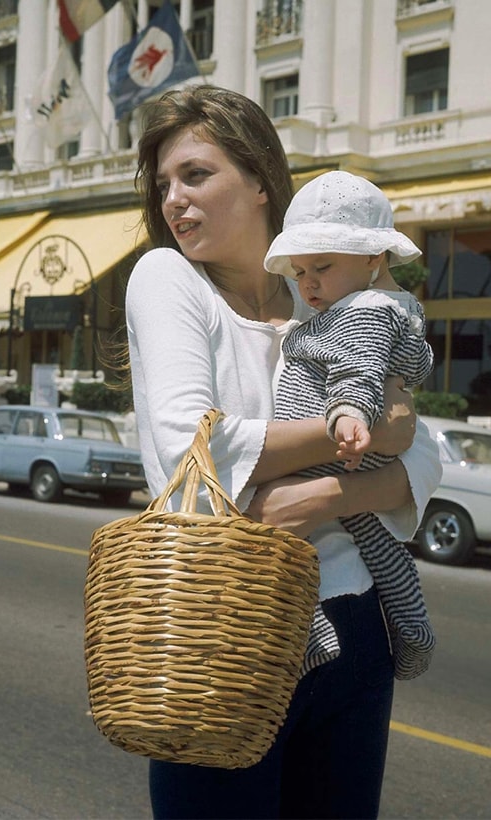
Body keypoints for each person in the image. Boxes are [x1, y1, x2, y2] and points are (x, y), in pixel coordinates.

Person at [123, 84, 441, 818]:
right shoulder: (167, 279)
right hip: (223, 632)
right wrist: (363, 438)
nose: (174, 199)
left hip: (356, 626)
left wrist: (324, 494)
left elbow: (423, 454)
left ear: (261, 180)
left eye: (196, 174)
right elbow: (189, 449)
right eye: (164, 183)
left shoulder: (326, 293)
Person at [265, 170, 436, 682]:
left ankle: (309, 630)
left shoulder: (363, 310)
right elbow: (411, 363)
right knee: (376, 540)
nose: (307, 283)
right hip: (353, 446)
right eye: (298, 271)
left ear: (373, 257)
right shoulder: (386, 306)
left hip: (334, 441)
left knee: (269, 526)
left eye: (322, 266)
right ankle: (412, 627)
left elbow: (357, 369)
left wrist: (348, 416)